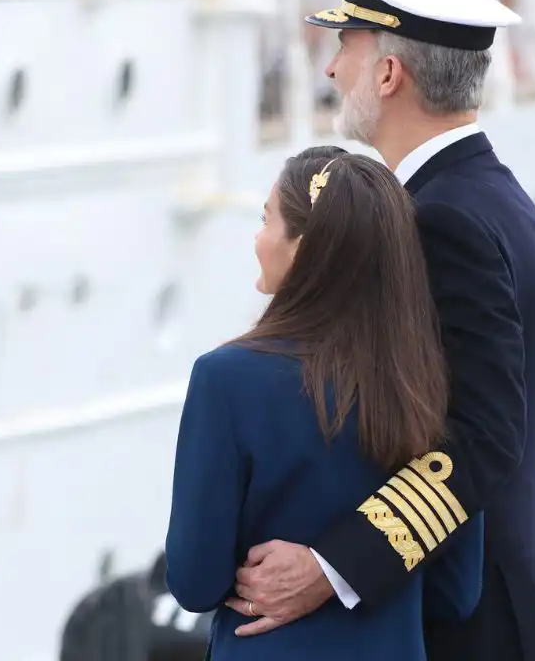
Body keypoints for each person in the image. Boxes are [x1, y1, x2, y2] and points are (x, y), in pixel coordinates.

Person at [222, 0, 535, 661]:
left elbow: (482, 434)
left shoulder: (440, 221)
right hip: (505, 606)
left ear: (389, 72)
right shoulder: (494, 198)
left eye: (344, 48)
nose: (329, 70)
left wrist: (330, 567)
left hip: (478, 625)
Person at [164, 147, 486, 659]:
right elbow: (456, 592)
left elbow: (194, 582)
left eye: (267, 220)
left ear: (303, 249)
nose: (258, 238)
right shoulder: (427, 380)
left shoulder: (226, 380)